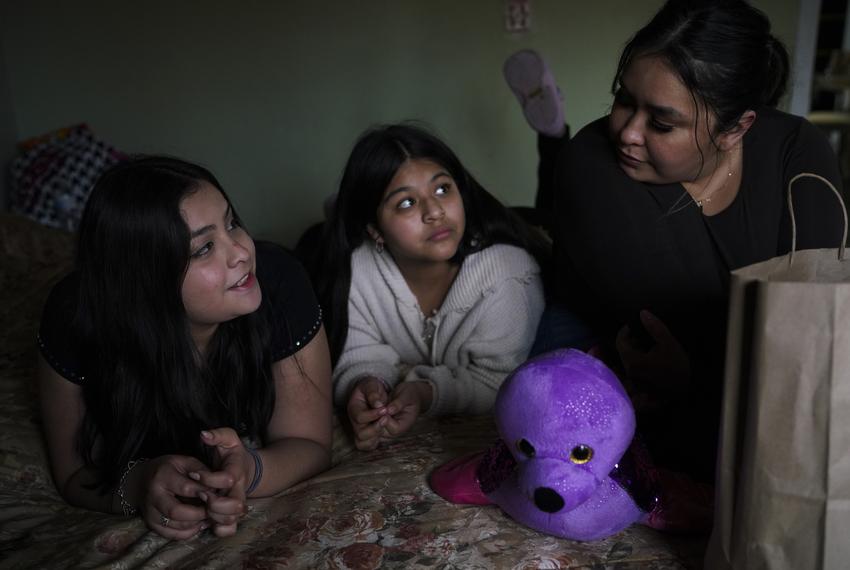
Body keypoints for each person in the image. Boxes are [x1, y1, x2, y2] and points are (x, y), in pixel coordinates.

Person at [506, 0, 846, 480]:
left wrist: (707, 372)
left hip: (744, 384)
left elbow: (817, 318)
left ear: (737, 128)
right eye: (623, 100)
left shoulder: (795, 150)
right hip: (613, 348)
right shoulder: (591, 164)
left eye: (661, 124)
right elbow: (674, 333)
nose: (627, 131)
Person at [37, 156, 333, 540]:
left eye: (231, 224)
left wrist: (249, 470)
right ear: (146, 281)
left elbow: (310, 444)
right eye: (204, 248)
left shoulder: (277, 281)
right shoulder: (74, 316)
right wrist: (139, 485)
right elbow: (74, 474)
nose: (241, 251)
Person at [315, 124, 547, 451]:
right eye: (406, 203)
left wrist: (425, 393)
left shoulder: (506, 274)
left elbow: (497, 381)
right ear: (375, 229)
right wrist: (368, 386)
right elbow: (358, 354)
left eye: (442, 190)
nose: (435, 212)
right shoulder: (359, 271)